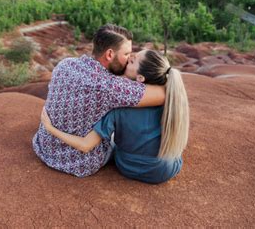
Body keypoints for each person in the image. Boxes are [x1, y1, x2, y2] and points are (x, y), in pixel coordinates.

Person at [32, 24, 165, 177]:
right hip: (80, 162)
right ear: (109, 54)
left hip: (44, 147)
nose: (129, 59)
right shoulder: (110, 87)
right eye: (127, 54)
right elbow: (162, 95)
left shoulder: (65, 64)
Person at [41, 50, 189, 184]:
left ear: (141, 78)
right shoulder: (172, 104)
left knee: (111, 141)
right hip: (164, 171)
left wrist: (50, 128)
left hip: (127, 167)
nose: (130, 57)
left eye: (132, 61)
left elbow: (86, 145)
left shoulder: (119, 104)